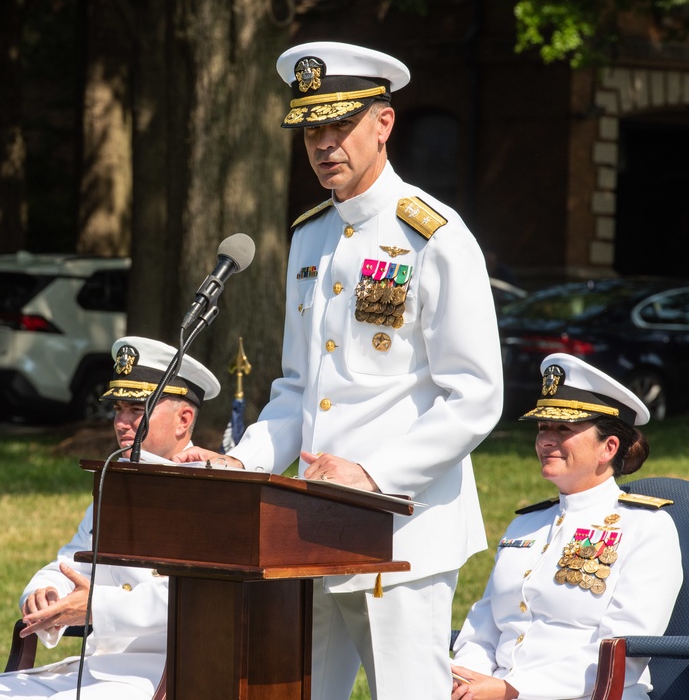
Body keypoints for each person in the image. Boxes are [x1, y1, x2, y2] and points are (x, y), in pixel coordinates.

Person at [174, 42, 504, 699]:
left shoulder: (433, 236)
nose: (324, 144)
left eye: (340, 125)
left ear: (383, 123)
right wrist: (241, 462)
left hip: (401, 530)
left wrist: (375, 475)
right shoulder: (311, 236)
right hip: (309, 531)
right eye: (311, 130)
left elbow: (476, 395)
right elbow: (298, 390)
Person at [0, 336, 220, 700]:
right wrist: (45, 595)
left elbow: (200, 601)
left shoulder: (216, 492)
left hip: (165, 676)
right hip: (90, 669)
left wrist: (93, 608)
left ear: (184, 420)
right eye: (118, 409)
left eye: (136, 411)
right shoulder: (117, 478)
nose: (121, 423)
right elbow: (71, 561)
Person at [451, 353, 682, 700]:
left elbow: (624, 650)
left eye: (564, 429)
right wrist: (467, 680)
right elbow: (483, 628)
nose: (546, 441)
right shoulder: (524, 525)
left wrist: (512, 690)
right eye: (543, 428)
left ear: (609, 447)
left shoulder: (647, 528)